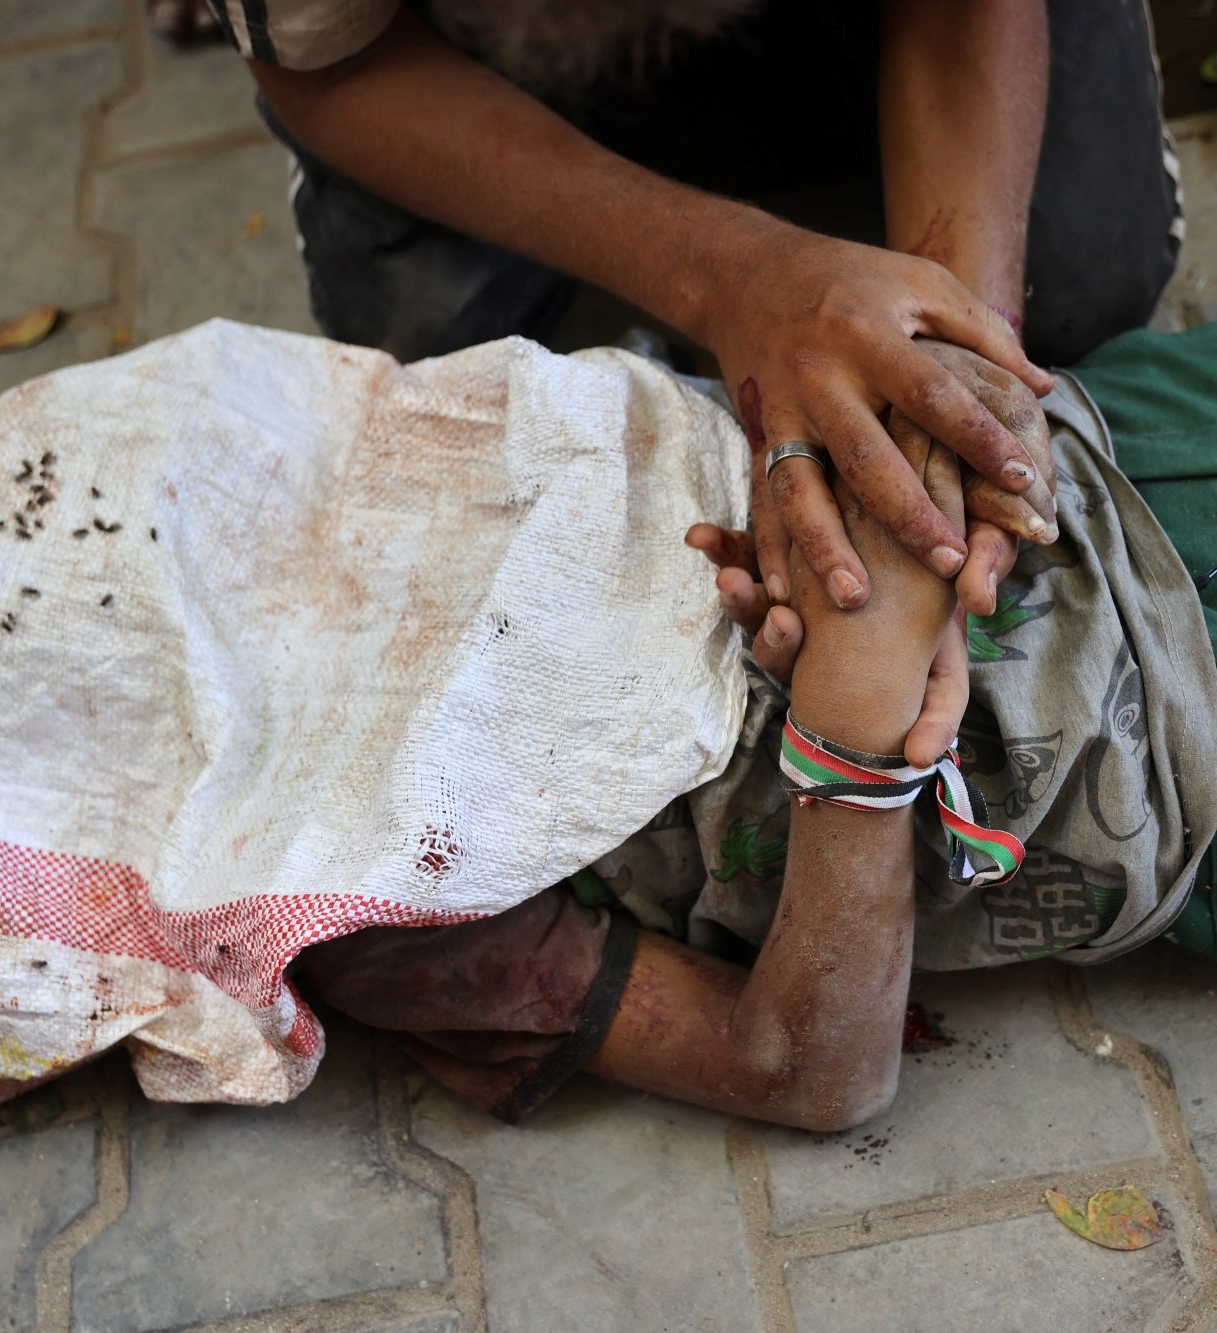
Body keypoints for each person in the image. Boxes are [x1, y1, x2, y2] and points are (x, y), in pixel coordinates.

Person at [298, 321, 1217, 1130]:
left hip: (1124, 443)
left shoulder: (329, 436)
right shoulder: (347, 894)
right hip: (1167, 762)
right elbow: (806, 1069)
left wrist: (898, 413)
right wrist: (856, 701)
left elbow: (785, 332)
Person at [210, 0, 1179, 624]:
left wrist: (951, 346)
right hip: (411, 56)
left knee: (1075, 286)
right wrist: (730, 277)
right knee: (446, 372)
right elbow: (332, 68)